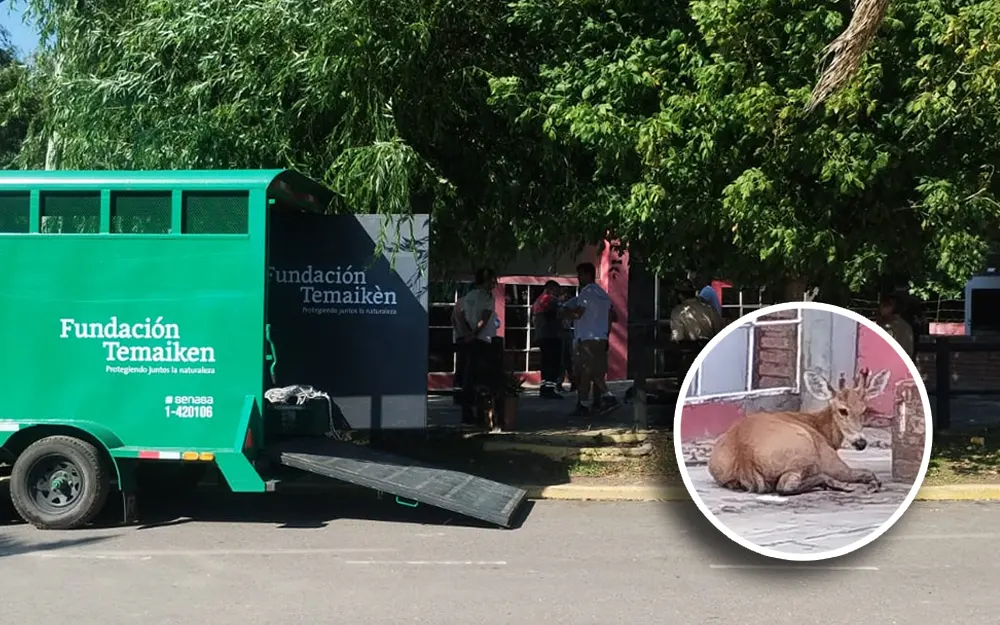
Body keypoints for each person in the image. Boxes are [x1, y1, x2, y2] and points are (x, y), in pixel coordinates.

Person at [560, 263, 618, 417]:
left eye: (580, 275)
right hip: (601, 337)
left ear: (588, 274)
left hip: (586, 338)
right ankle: (594, 403)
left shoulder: (586, 292)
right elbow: (611, 317)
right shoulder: (603, 294)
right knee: (595, 371)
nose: (578, 278)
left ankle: (606, 398)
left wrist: (565, 313)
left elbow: (578, 314)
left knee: (585, 372)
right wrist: (606, 334)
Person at [456, 268, 500, 425]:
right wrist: (474, 334)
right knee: (482, 380)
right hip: (483, 341)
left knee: (466, 377)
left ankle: (466, 413)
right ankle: (482, 414)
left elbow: (459, 316)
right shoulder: (488, 298)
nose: (494, 284)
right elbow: (484, 319)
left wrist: (466, 334)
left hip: (467, 341)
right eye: (492, 281)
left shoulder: (467, 296)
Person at [531, 280, 565, 399]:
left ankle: (545, 387)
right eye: (557, 289)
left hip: (542, 335)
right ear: (550, 289)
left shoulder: (538, 301)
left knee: (546, 363)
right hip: (551, 335)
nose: (558, 292)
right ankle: (549, 389)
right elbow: (556, 313)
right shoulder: (549, 299)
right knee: (553, 363)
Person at [876, 293, 915, 359]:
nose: (882, 308)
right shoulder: (881, 324)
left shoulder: (902, 327)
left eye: (886, 305)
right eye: (882, 305)